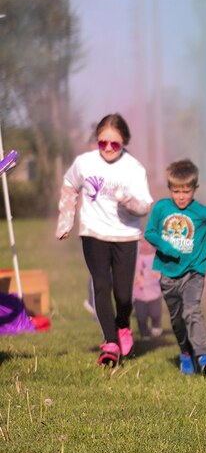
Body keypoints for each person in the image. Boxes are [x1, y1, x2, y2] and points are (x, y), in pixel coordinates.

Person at [56, 114, 153, 366]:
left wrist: (128, 201)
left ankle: (123, 326)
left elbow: (144, 206)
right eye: (102, 143)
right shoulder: (84, 163)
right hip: (93, 233)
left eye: (114, 144)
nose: (108, 149)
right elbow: (69, 185)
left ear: (124, 143)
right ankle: (110, 343)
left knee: (123, 295)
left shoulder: (133, 168)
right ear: (97, 142)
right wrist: (66, 220)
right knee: (101, 285)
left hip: (125, 236)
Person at [144, 159, 206, 375]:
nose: (180, 196)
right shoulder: (161, 208)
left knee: (192, 311)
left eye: (186, 191)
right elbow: (150, 232)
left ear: (195, 189)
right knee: (177, 320)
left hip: (193, 273)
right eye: (176, 191)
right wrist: (168, 249)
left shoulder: (202, 212)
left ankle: (203, 356)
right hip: (167, 275)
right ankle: (185, 353)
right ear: (170, 188)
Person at [132, 238, 163, 339]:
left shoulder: (157, 258)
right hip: (139, 295)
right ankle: (144, 333)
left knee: (156, 313)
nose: (145, 245)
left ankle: (156, 325)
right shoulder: (135, 258)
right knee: (141, 317)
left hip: (155, 294)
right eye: (142, 243)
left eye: (148, 243)